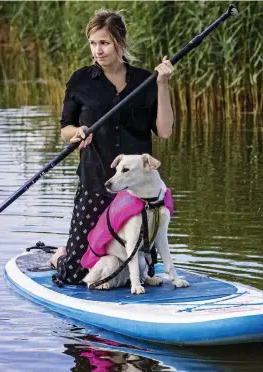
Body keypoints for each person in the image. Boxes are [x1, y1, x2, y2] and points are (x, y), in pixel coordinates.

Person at [50, 9, 175, 285]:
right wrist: (78, 132)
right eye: (93, 43)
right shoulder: (80, 80)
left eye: (104, 43)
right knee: (73, 274)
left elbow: (165, 131)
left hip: (136, 191)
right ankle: (61, 255)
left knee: (145, 273)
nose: (98, 50)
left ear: (120, 42)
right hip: (96, 183)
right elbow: (65, 128)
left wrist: (163, 84)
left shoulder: (146, 80)